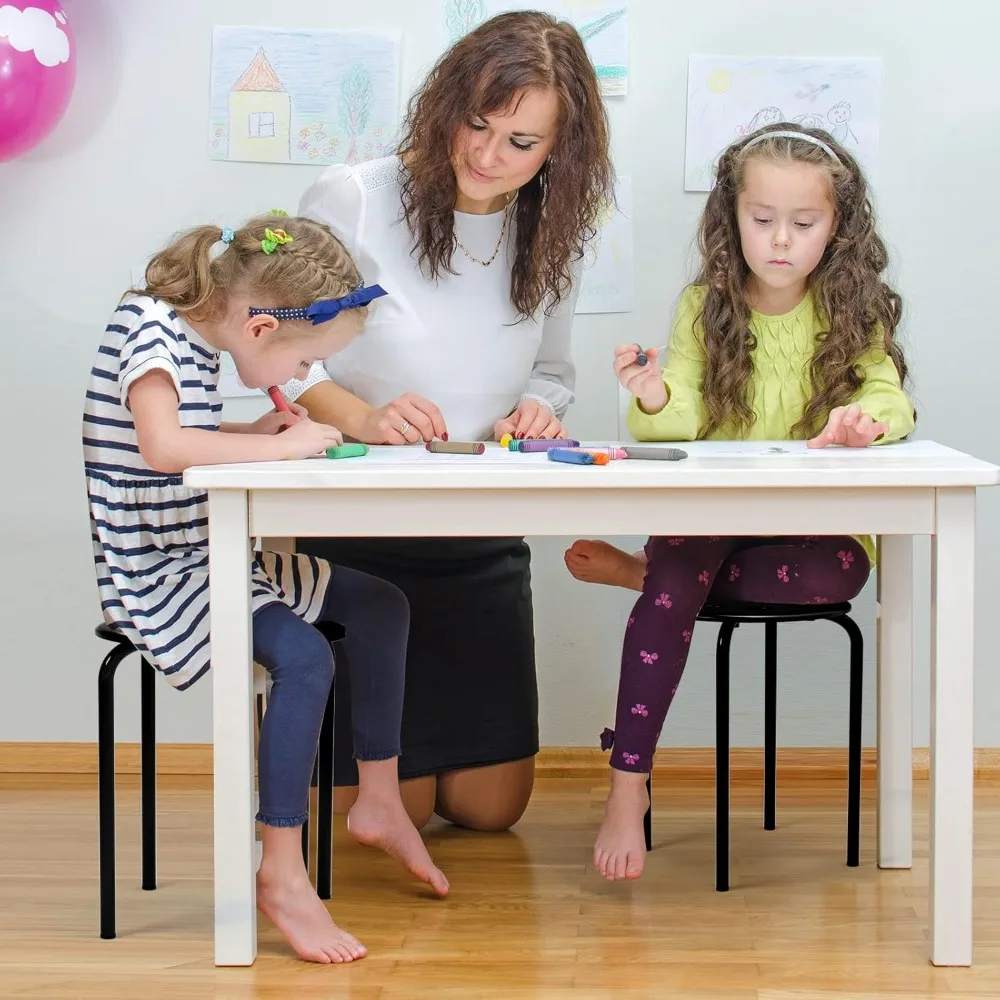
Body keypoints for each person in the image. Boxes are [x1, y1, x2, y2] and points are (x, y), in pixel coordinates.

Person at [279, 11, 614, 831]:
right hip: (356, 534)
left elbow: (553, 372)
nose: (487, 155)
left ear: (558, 153)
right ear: (448, 104)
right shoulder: (352, 195)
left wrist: (541, 408)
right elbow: (282, 350)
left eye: (521, 142)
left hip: (479, 533)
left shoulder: (554, 232)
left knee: (489, 811)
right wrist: (361, 416)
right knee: (385, 802)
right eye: (476, 122)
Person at [83, 214, 447, 965]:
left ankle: (378, 800)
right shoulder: (151, 332)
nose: (297, 386)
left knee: (381, 603)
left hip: (209, 551)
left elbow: (190, 437)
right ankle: (280, 870)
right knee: (306, 658)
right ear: (258, 330)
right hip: (160, 569)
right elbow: (162, 445)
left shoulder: (199, 336)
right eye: (303, 364)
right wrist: (285, 441)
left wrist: (258, 437)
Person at [564, 123, 916, 882]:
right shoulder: (704, 308)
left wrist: (865, 420)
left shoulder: (855, 312)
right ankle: (628, 783)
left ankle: (642, 575)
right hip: (716, 516)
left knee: (836, 577)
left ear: (839, 226)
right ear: (733, 220)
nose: (780, 241)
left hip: (816, 530)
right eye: (762, 221)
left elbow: (888, 395)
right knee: (679, 575)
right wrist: (654, 394)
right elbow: (682, 412)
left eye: (804, 223)